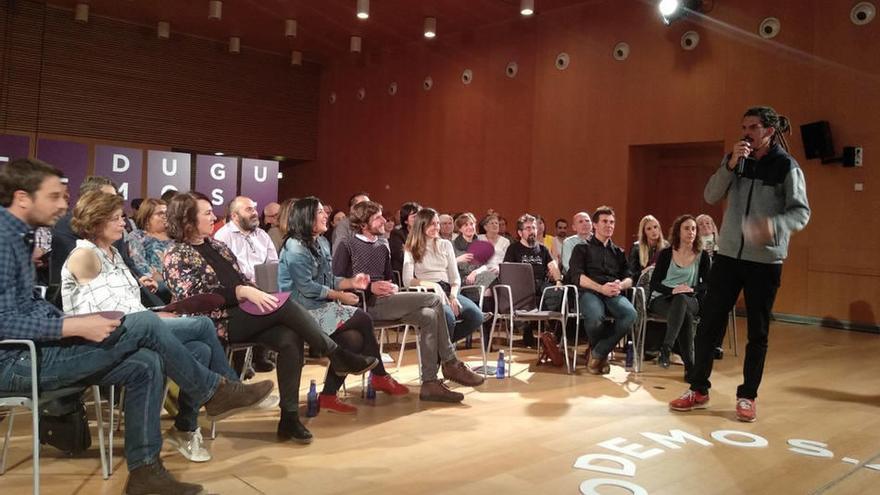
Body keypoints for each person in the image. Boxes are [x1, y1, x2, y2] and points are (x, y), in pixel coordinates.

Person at [0, 159, 272, 495]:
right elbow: (3, 321)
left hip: (40, 350)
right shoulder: (4, 239)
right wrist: (72, 325)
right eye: (55, 196)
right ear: (23, 198)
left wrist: (69, 323)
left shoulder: (18, 237)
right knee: (149, 323)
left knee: (146, 363)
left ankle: (145, 472)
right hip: (16, 362)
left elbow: (28, 306)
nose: (63, 204)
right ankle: (213, 392)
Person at [163, 192, 378, 443]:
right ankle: (335, 353)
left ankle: (289, 418)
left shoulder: (217, 246)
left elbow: (241, 279)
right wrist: (243, 291)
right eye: (207, 213)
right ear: (188, 220)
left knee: (290, 336)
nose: (214, 217)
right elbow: (194, 299)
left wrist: (249, 291)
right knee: (284, 306)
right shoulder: (176, 254)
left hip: (243, 312)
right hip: (213, 322)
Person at [61, 190, 249, 463]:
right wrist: (157, 319)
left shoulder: (113, 253)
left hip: (133, 328)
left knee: (200, 349)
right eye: (116, 219)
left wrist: (160, 314)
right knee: (203, 325)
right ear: (96, 221)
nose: (124, 223)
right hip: (102, 340)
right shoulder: (84, 256)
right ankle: (227, 387)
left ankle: (186, 427)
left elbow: (131, 308)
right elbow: (106, 316)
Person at [669, 106, 810, 423]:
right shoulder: (734, 161)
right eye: (743, 126)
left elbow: (801, 213)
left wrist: (772, 227)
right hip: (729, 257)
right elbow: (710, 194)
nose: (746, 132)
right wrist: (731, 165)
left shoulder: (786, 167)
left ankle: (747, 396)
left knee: (757, 332)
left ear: (769, 131)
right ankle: (698, 389)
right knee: (708, 324)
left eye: (754, 126)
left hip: (765, 260)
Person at [332, 200, 484, 403]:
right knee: (434, 300)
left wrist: (392, 286)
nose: (384, 221)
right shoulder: (347, 244)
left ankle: (430, 383)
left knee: (429, 316)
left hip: (388, 299)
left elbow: (388, 279)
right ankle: (450, 361)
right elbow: (335, 280)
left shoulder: (382, 245)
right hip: (363, 304)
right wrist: (368, 287)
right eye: (377, 217)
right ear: (363, 223)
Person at [278, 197, 408, 414]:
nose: (325, 215)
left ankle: (328, 396)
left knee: (353, 340)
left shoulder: (321, 242)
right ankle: (380, 374)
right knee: (362, 317)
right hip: (299, 310)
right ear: (306, 217)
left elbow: (329, 278)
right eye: (320, 212)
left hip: (319, 306)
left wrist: (351, 282)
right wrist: (340, 294)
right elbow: (307, 287)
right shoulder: (294, 246)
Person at [565, 206, 636, 375]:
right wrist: (600, 288)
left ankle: (598, 353)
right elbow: (577, 277)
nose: (609, 225)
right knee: (596, 317)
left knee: (630, 314)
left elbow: (630, 277)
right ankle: (600, 357)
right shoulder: (581, 249)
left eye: (612, 222)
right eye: (605, 221)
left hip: (612, 291)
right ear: (595, 225)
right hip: (590, 292)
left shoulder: (619, 252)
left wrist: (620, 285)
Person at [214, 196, 280, 373]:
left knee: (275, 300)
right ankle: (242, 361)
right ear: (235, 216)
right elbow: (225, 271)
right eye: (248, 209)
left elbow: (272, 262)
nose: (254, 213)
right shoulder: (223, 236)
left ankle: (260, 355)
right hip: (239, 291)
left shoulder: (262, 235)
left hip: (263, 286)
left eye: (254, 209)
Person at [403, 208, 484, 344]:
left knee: (476, 317)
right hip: (428, 292)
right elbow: (407, 281)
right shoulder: (412, 247)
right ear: (421, 225)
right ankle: (446, 356)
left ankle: (441, 348)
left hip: (448, 290)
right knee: (448, 317)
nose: (436, 227)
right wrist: (434, 285)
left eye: (437, 223)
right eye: (432, 224)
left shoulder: (446, 245)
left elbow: (455, 277)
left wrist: (453, 296)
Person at [648, 215, 710, 373]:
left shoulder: (702, 256)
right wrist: (672, 290)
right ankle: (690, 366)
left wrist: (692, 289)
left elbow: (708, 283)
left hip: (689, 298)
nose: (691, 232)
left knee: (682, 300)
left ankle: (666, 347)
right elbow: (654, 282)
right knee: (685, 316)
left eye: (694, 229)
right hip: (663, 298)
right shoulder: (666, 253)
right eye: (687, 228)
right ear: (678, 231)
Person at [503, 214, 562, 347]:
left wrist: (558, 281)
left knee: (558, 292)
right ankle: (528, 327)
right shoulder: (513, 249)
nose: (532, 231)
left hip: (541, 285)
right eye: (528, 228)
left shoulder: (543, 249)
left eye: (534, 228)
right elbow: (507, 270)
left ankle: (552, 333)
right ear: (520, 232)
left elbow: (553, 266)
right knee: (527, 296)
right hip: (521, 286)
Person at [127, 198, 174, 303]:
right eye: (160, 213)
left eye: (167, 213)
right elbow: (139, 265)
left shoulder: (177, 238)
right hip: (154, 289)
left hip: (179, 286)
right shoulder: (137, 237)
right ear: (147, 218)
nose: (165, 216)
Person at [452, 212, 497, 288]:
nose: (470, 227)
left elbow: (485, 266)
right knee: (490, 279)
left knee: (492, 276)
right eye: (466, 225)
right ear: (460, 229)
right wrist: (457, 260)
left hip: (479, 276)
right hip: (461, 281)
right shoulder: (452, 245)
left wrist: (475, 272)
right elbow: (445, 266)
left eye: (472, 224)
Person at [389, 201, 420, 276]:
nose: (418, 220)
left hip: (422, 270)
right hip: (405, 272)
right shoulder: (397, 234)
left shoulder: (424, 234)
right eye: (414, 217)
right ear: (406, 220)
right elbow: (403, 257)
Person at [477, 213, 510, 280]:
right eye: (492, 223)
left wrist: (499, 268)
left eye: (496, 223)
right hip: (482, 271)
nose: (495, 225)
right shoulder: (479, 238)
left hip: (499, 272)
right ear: (485, 227)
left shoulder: (505, 241)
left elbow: (508, 261)